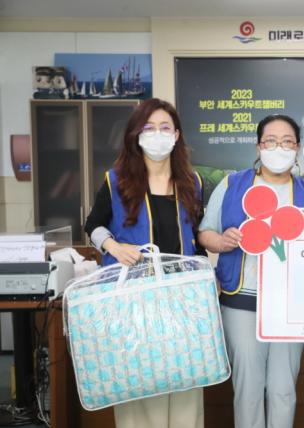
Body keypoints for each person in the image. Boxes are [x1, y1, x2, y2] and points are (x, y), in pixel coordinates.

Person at [198, 114, 304, 428]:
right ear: (258, 146)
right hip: (240, 301)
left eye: (287, 142)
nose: (278, 148)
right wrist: (223, 242)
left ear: (297, 148)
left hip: (290, 306)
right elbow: (205, 233)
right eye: (271, 141)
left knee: (284, 389)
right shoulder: (232, 185)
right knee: (248, 389)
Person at [84, 98, 205, 428]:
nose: (158, 134)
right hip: (133, 301)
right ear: (136, 135)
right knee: (141, 381)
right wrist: (113, 245)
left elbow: (196, 238)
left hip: (182, 300)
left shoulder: (192, 183)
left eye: (165, 127)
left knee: (184, 379)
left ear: (176, 135)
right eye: (149, 128)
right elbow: (93, 225)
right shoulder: (116, 180)